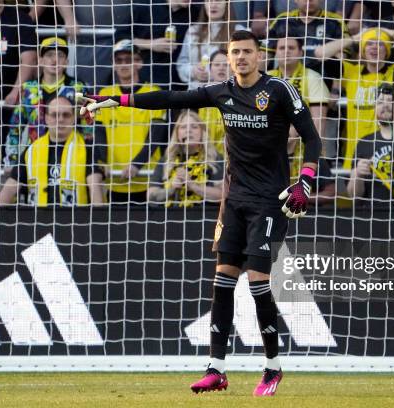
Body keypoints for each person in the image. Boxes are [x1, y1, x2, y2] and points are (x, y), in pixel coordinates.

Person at [78, 30, 322, 397]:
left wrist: (305, 179)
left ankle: (272, 366)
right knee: (222, 281)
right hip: (233, 200)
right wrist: (116, 98)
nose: (240, 58)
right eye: (234, 52)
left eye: (247, 52)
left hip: (269, 201)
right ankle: (216, 368)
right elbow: (169, 97)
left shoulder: (279, 91)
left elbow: (312, 137)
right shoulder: (220, 91)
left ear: (260, 56)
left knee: (257, 283)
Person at [318, 27, 394, 168]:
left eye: (380, 44)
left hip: (386, 152)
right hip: (355, 153)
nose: (374, 47)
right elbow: (320, 53)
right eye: (369, 43)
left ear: (387, 50)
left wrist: (391, 32)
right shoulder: (351, 72)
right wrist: (354, 39)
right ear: (363, 50)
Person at [94, 40, 166, 203]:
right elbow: (99, 134)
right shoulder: (104, 94)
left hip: (147, 178)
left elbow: (155, 137)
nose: (124, 64)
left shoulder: (153, 92)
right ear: (113, 64)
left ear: (139, 63)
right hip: (115, 178)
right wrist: (102, 161)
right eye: (119, 60)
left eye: (129, 59)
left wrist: (136, 164)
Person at [0, 97, 104, 206]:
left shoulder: (88, 148)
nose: (60, 119)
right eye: (54, 115)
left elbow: (96, 192)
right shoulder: (31, 150)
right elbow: (8, 191)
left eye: (66, 115)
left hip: (76, 221)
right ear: (46, 118)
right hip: (38, 220)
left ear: (73, 118)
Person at [4, 37, 91, 168]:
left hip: (70, 156)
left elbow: (89, 126)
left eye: (60, 55)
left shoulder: (79, 88)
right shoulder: (27, 89)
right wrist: (11, 160)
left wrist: (90, 159)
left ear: (66, 62)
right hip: (35, 156)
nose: (55, 60)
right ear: (40, 60)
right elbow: (15, 127)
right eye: (49, 55)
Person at [148, 110, 224, 207]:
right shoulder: (167, 159)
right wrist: (171, 189)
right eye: (183, 127)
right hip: (170, 217)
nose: (188, 130)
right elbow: (151, 196)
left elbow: (222, 195)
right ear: (177, 133)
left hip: (205, 217)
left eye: (194, 127)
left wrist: (193, 186)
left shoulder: (215, 158)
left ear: (202, 132)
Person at [268, 0, 349, 76]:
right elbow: (265, 55)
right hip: (287, 80)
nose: (309, 1)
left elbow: (341, 58)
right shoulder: (282, 21)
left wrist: (336, 88)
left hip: (324, 80)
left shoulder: (335, 22)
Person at [132, 0, 202, 89]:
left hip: (180, 84)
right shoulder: (144, 7)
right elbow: (119, 39)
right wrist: (151, 44)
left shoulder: (195, 13)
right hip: (147, 82)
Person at [176, 0, 242, 89]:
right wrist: (193, 71)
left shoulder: (240, 32)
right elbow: (181, 64)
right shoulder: (192, 31)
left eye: (218, 1)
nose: (213, 4)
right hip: (196, 93)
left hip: (228, 92)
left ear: (227, 4)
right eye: (208, 1)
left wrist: (221, 72)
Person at [198, 49, 230, 156]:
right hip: (205, 157)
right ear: (210, 69)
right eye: (217, 64)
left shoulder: (241, 95)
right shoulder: (199, 96)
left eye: (226, 65)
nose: (221, 67)